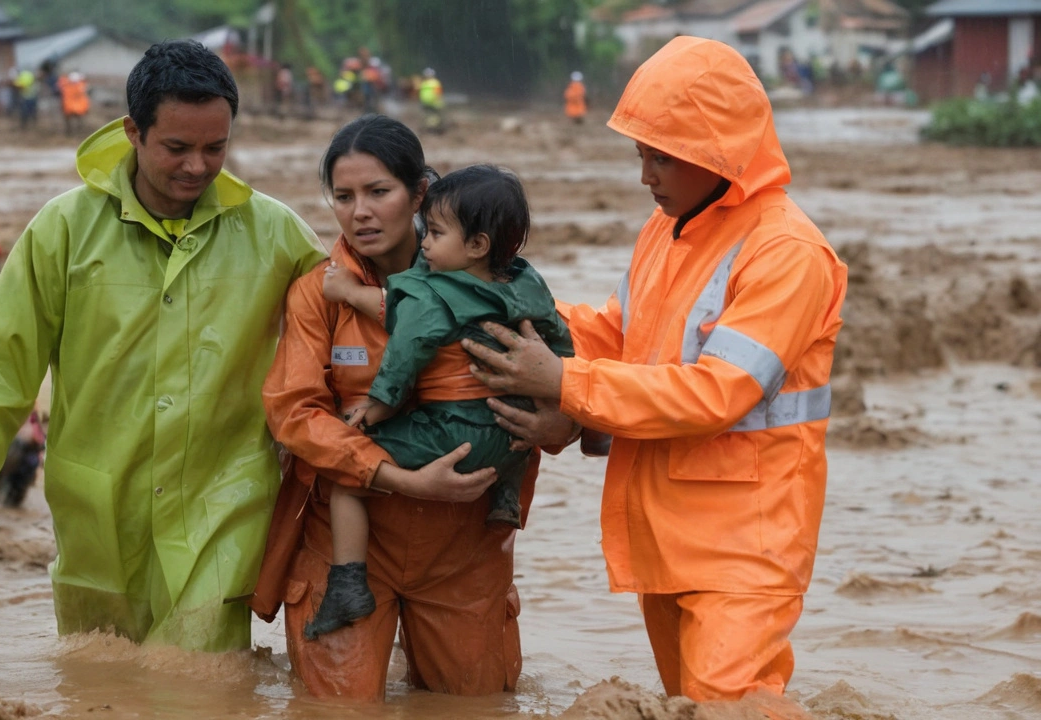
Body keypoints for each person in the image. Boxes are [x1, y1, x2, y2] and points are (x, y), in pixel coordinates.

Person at [463, 37, 848, 704]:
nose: (646, 175)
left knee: (728, 701)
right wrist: (506, 309)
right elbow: (616, 335)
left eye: (661, 157)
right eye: (641, 154)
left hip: (745, 547)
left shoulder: (787, 252)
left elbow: (716, 394)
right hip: (669, 530)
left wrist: (563, 383)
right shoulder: (667, 229)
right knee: (693, 705)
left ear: (718, 150)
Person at [0, 40, 325, 653]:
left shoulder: (276, 233)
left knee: (201, 686)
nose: (198, 166)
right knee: (100, 686)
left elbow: (351, 337)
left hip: (224, 505)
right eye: (177, 148)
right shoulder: (63, 230)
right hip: (97, 510)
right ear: (133, 131)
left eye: (216, 147)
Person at [251, 114, 533, 701]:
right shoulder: (317, 292)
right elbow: (294, 415)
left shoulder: (494, 282)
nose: (360, 212)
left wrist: (558, 421)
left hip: (466, 545)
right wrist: (402, 481)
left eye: (379, 192)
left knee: (474, 708)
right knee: (337, 711)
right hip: (349, 545)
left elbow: (554, 381)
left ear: (420, 193)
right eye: (344, 196)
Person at [300, 164, 574, 641]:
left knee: (348, 465)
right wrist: (562, 396)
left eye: (436, 231)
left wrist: (380, 405)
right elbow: (561, 343)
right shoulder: (526, 282)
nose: (426, 241)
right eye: (342, 196)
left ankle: (346, 583)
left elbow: (408, 345)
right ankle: (506, 498)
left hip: (455, 434)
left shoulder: (432, 287)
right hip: (511, 432)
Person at [57, 71, 91, 136]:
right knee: (75, 120)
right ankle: (73, 131)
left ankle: (72, 132)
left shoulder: (67, 86)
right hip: (73, 106)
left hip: (72, 106)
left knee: (73, 120)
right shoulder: (80, 86)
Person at [418, 68, 444, 133]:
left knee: (432, 116)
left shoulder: (426, 83)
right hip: (429, 103)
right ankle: (432, 128)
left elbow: (438, 93)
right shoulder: (433, 83)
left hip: (431, 102)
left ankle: (432, 128)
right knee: (432, 116)